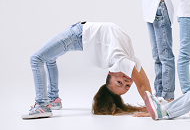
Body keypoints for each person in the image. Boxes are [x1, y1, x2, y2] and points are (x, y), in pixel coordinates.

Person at [22, 21, 151, 119]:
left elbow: (141, 84)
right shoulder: (127, 60)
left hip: (77, 36)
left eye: (121, 84)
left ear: (110, 72)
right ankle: (53, 100)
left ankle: (42, 105)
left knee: (36, 59)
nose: (126, 80)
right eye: (126, 85)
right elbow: (143, 82)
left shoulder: (120, 60)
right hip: (79, 34)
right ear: (110, 72)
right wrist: (151, 106)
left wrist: (152, 108)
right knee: (49, 59)